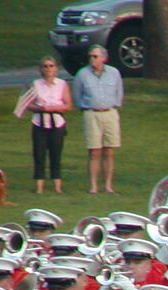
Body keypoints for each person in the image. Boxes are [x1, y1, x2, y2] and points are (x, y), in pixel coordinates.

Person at [72, 44, 122, 194]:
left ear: (104, 58)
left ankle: (108, 185)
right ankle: (93, 186)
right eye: (90, 56)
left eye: (95, 56)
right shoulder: (82, 74)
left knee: (109, 151)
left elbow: (119, 92)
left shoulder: (114, 73)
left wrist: (114, 106)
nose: (92, 59)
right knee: (94, 151)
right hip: (91, 114)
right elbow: (77, 95)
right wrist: (85, 108)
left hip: (110, 113)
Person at [20, 56, 72, 194]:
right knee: (39, 154)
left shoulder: (62, 84)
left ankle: (57, 186)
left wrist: (51, 108)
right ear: (41, 69)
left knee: (56, 155)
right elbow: (27, 104)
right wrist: (39, 108)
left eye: (51, 66)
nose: (48, 69)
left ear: (56, 68)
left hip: (57, 123)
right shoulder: (36, 84)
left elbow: (68, 105)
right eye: (45, 66)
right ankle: (39, 187)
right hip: (39, 123)